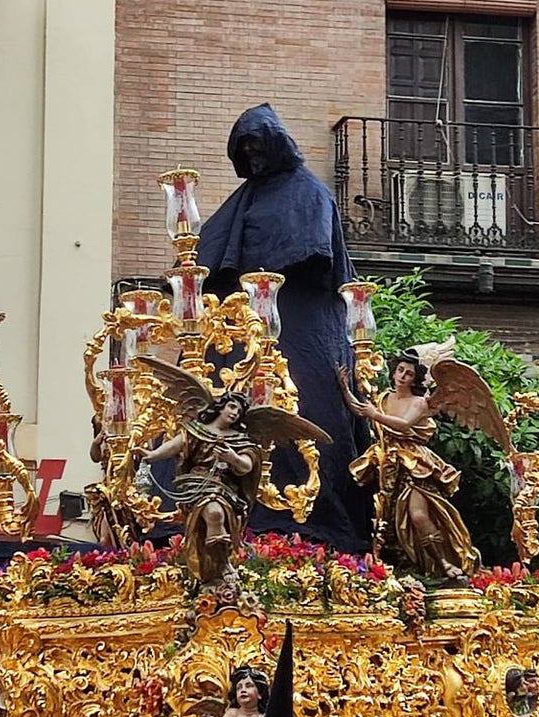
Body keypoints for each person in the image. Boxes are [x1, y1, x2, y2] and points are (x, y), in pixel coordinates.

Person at [197, 103, 372, 552]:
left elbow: (318, 256)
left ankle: (312, 520)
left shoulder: (309, 193)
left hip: (303, 328)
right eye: (245, 148)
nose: (253, 155)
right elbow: (211, 257)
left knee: (307, 415)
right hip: (240, 334)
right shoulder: (243, 202)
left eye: (258, 144)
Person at [340, 350, 481, 583]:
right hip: (389, 465)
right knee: (392, 521)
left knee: (417, 515)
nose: (403, 376)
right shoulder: (384, 397)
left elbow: (404, 425)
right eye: (400, 370)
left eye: (409, 373)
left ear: (415, 379)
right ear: (394, 371)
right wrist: (344, 389)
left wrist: (375, 414)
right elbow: (361, 410)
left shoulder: (419, 402)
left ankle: (445, 563)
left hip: (415, 464)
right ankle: (413, 566)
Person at [136, 391, 261, 583]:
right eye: (232, 406)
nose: (235, 413)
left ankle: (218, 567)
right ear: (221, 406)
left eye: (240, 411)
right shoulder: (197, 430)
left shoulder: (239, 439)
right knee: (214, 514)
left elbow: (247, 465)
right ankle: (220, 567)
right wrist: (152, 455)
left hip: (226, 487)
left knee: (219, 515)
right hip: (197, 483)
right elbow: (174, 446)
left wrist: (232, 458)